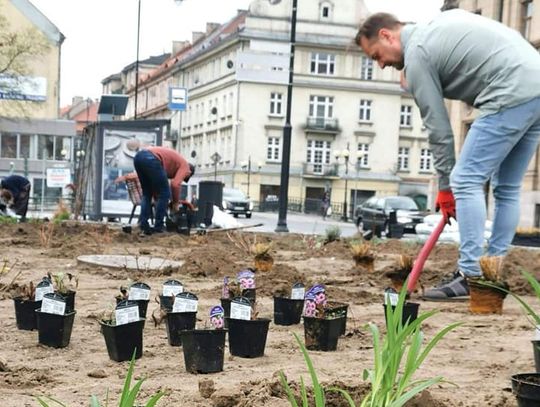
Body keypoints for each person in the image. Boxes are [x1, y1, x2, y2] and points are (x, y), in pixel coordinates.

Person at [356, 10, 540, 301]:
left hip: (511, 88)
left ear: (386, 35)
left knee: (465, 179)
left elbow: (440, 131)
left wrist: (446, 188)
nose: (381, 65)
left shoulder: (417, 54)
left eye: (377, 55)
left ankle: (470, 275)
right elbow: (473, 73)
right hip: (535, 84)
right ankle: (492, 272)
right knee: (507, 188)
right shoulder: (436, 30)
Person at [133, 146, 195, 235]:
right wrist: (175, 203)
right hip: (151, 158)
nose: (182, 178)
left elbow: (156, 183)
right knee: (165, 193)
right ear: (189, 173)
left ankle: (144, 225)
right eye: (185, 177)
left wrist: (156, 198)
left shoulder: (173, 164)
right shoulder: (185, 167)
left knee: (147, 193)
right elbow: (175, 184)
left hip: (139, 157)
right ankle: (158, 227)